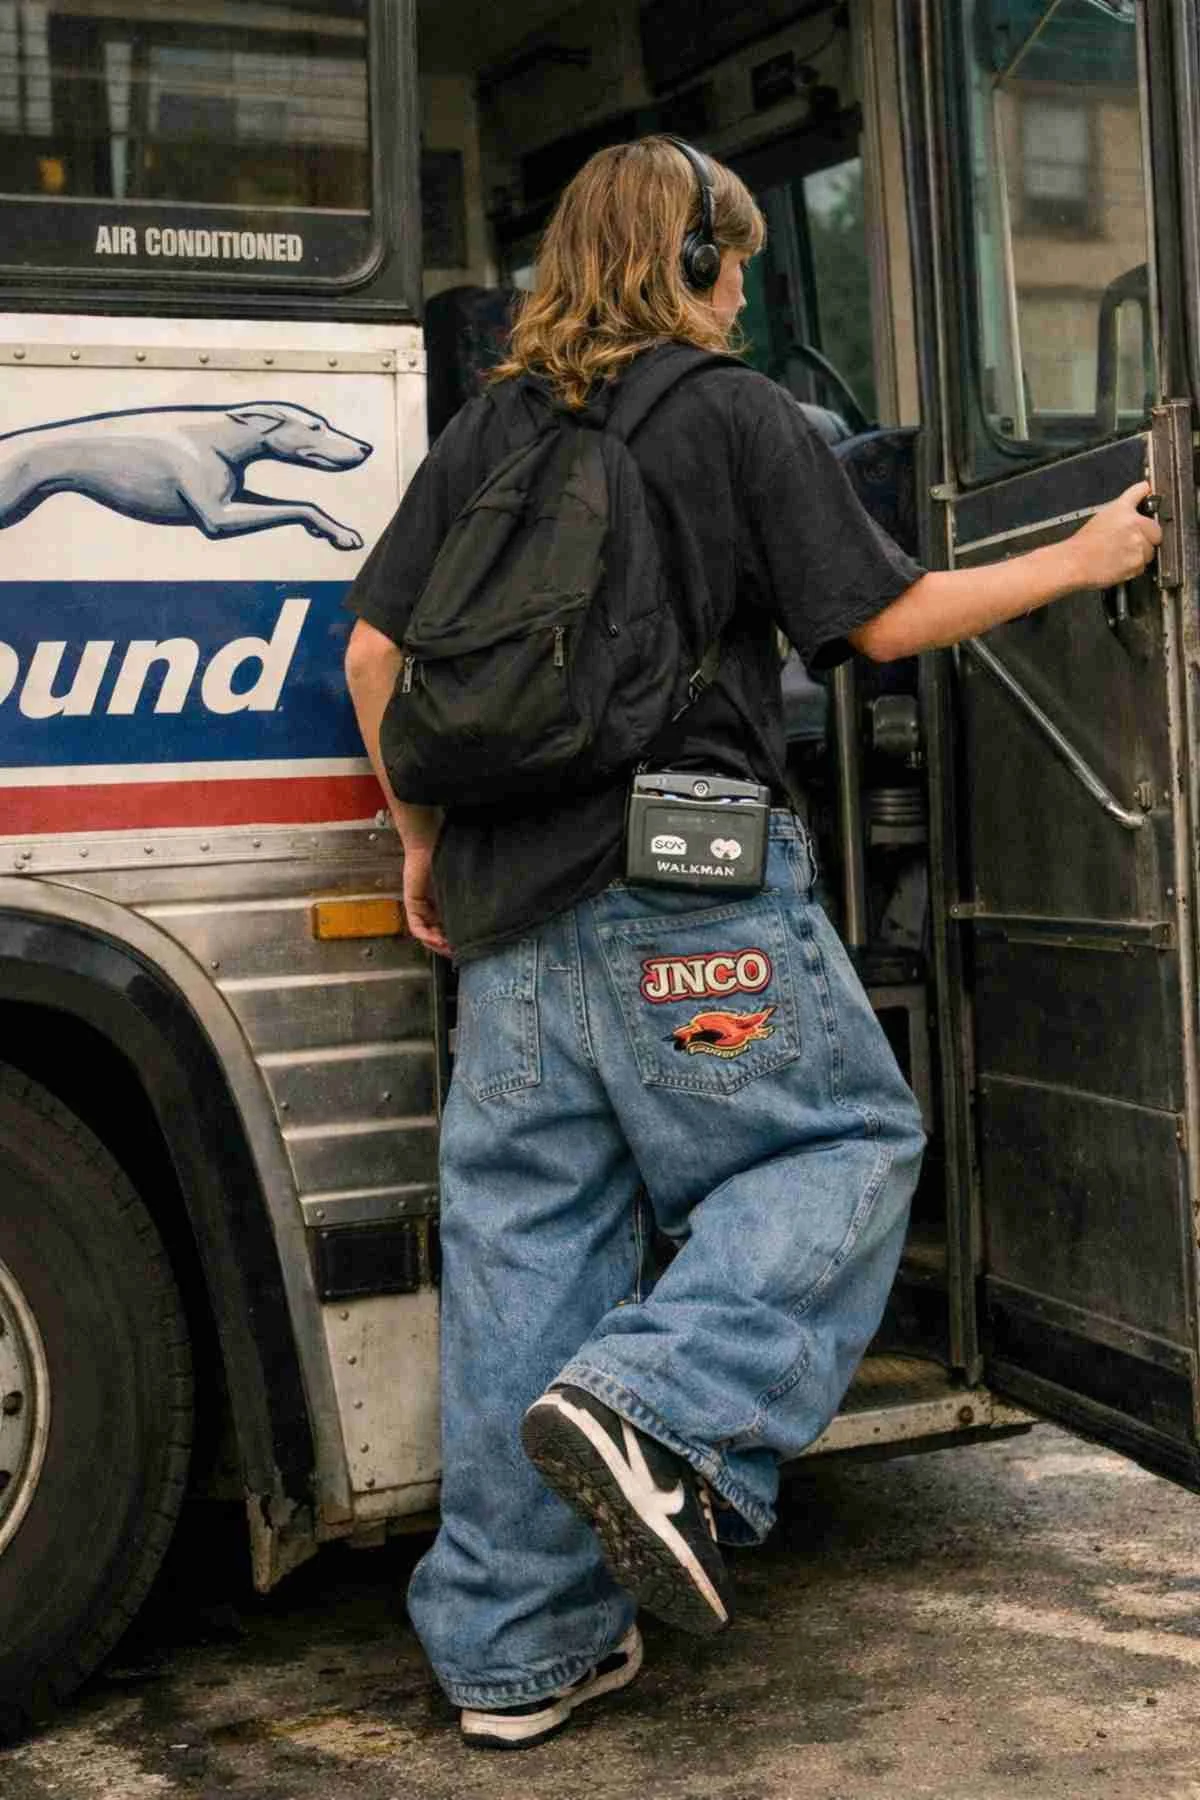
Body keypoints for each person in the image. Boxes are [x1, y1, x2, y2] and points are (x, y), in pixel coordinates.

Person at [344, 135, 1160, 1750]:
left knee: (527, 1259)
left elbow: (375, 656)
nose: (741, 299)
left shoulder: (491, 426)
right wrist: (1082, 557)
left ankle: (514, 1659)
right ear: (696, 261)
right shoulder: (737, 413)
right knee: (845, 1144)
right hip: (686, 890)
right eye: (738, 269)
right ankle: (661, 1405)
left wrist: (421, 843)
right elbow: (881, 620)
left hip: (506, 909)